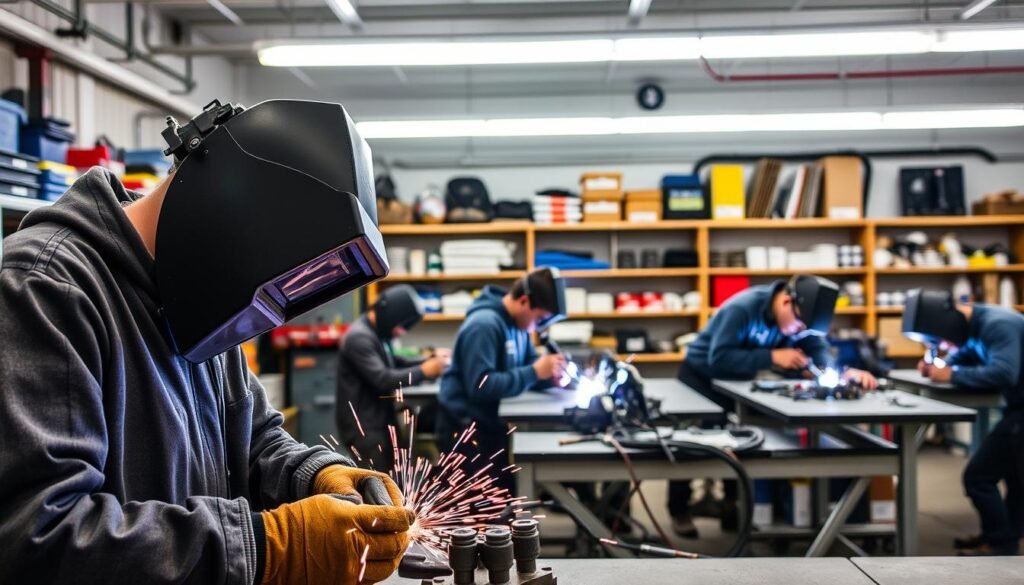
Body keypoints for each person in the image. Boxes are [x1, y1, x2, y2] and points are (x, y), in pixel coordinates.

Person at [0, 99, 413, 584]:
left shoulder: (198, 297)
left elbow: (254, 439)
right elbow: (40, 538)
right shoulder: (45, 288)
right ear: (230, 210)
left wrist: (316, 474)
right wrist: (270, 547)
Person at [670, 275, 879, 538]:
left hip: (739, 383)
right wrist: (772, 356)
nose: (799, 333)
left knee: (739, 443)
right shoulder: (743, 308)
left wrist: (837, 371)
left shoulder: (797, 320)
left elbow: (815, 345)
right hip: (701, 377)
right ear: (785, 301)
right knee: (694, 443)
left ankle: (731, 506)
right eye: (799, 326)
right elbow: (719, 358)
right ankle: (679, 509)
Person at [904, 289, 1024, 556]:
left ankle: (1001, 544)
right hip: (1017, 407)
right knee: (1016, 478)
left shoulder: (997, 325)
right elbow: (966, 355)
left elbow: (1004, 372)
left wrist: (951, 376)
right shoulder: (975, 327)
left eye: (942, 341)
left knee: (978, 477)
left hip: (1020, 412)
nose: (944, 345)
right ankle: (1002, 537)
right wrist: (940, 365)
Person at [436, 268, 567, 482]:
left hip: (490, 426)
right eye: (540, 318)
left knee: (505, 497)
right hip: (465, 432)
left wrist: (550, 376)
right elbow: (481, 385)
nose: (539, 327)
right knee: (479, 510)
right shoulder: (484, 325)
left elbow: (527, 367)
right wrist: (536, 371)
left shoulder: (518, 326)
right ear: (524, 301)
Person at [337, 284, 449, 470]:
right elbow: (382, 379)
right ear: (391, 312)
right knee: (376, 489)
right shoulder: (360, 338)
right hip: (364, 430)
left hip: (377, 423)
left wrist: (428, 360)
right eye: (401, 326)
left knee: (389, 482)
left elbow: (396, 361)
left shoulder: (375, 333)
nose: (401, 332)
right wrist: (425, 371)